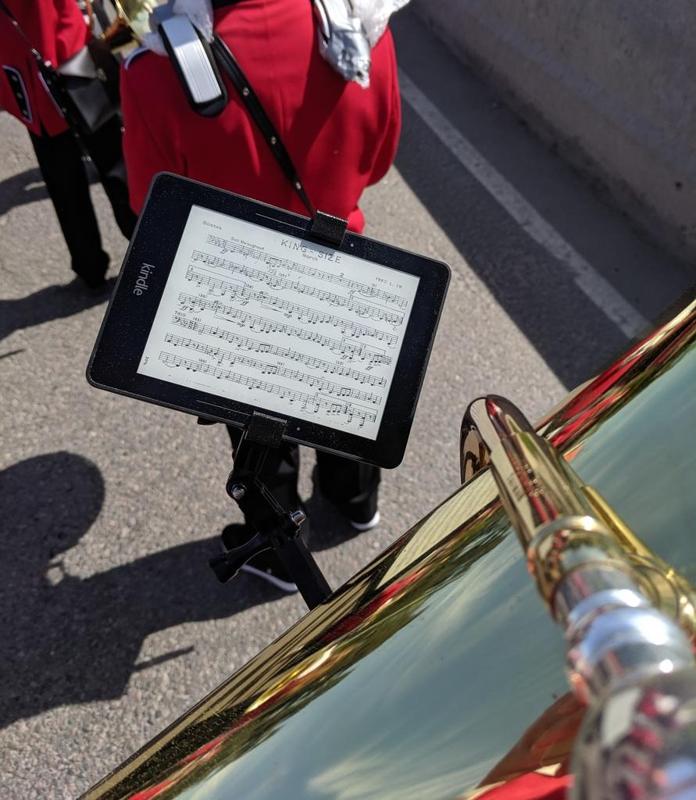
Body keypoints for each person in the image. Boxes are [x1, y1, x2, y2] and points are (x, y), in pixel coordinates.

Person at [120, 0, 402, 590]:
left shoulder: (154, 71)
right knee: (344, 400)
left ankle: (279, 551)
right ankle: (355, 501)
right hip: (342, 270)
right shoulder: (363, 27)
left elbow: (151, 209)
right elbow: (377, 163)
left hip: (237, 294)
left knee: (260, 435)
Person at [0, 0, 136, 288]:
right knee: (115, 165)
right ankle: (143, 250)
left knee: (65, 182)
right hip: (67, 49)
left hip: (24, 70)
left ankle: (90, 268)